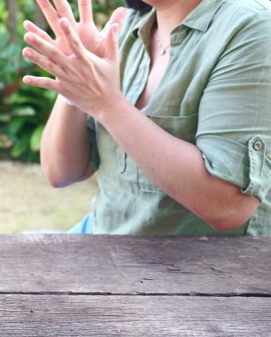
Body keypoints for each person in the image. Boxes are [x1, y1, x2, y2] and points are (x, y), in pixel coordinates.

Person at [21, 0, 271, 235]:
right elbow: (60, 173)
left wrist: (107, 105)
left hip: (197, 269)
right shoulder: (128, 24)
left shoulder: (253, 25)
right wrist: (75, 85)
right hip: (101, 239)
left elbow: (228, 206)